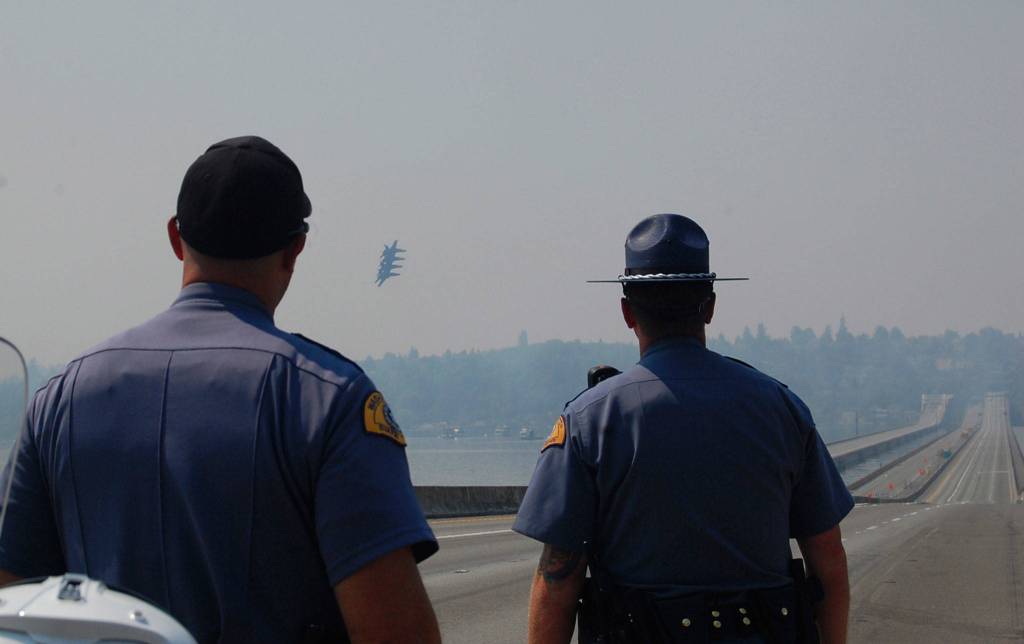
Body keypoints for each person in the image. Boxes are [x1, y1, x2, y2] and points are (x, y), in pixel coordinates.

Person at [0, 136, 441, 643]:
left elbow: (14, 605)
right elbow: (397, 633)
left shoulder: (60, 400)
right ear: (294, 250)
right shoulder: (328, 400)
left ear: (175, 238)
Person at [513, 213, 852, 644]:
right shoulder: (782, 409)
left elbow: (559, 581)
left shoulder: (589, 420)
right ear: (710, 306)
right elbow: (830, 562)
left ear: (626, 310)